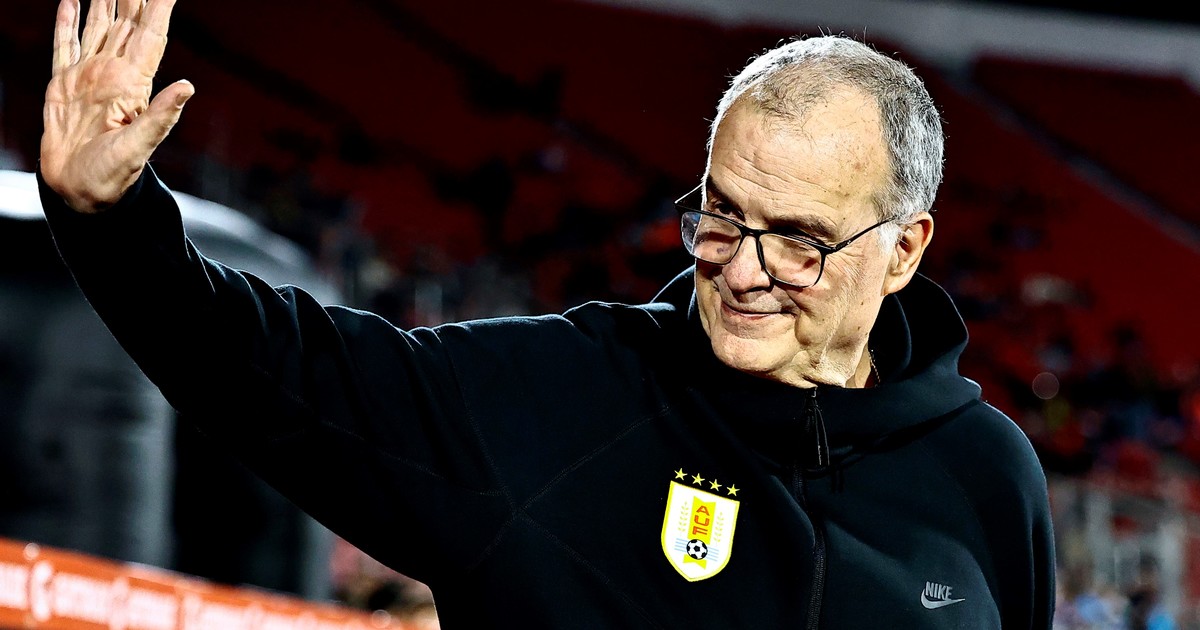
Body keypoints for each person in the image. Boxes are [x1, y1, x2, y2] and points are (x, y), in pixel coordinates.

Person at [37, 0, 1055, 627]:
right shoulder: (557, 401)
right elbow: (270, 366)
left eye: (798, 240)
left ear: (903, 250)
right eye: (721, 217)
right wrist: (109, 218)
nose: (743, 272)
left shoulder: (984, 472)